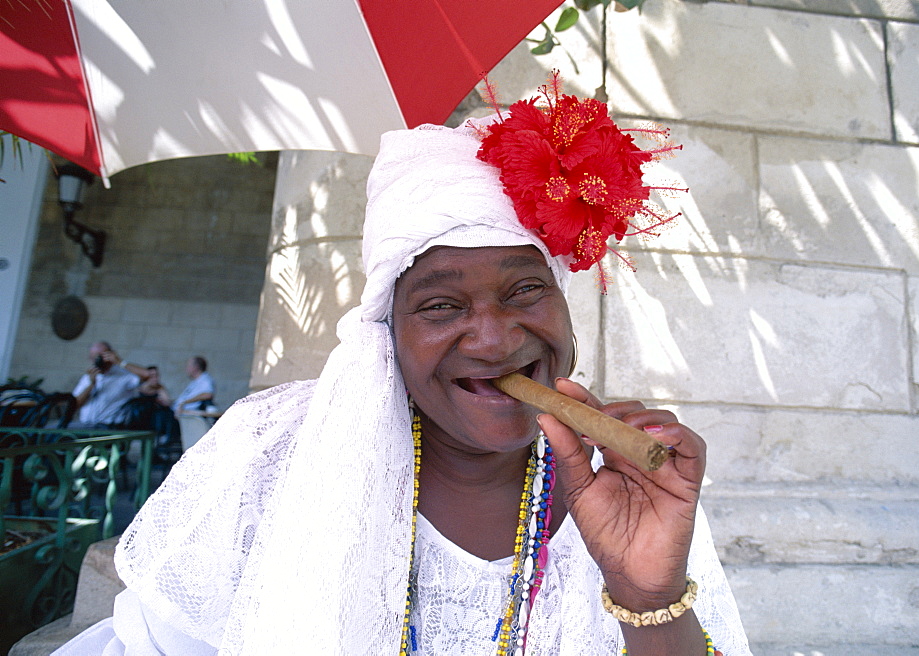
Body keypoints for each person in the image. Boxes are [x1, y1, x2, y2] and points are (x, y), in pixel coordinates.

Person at [55, 83, 751, 655]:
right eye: (442, 305)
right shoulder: (276, 450)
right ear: (387, 334)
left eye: (524, 290)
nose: (493, 335)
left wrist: (646, 600)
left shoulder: (632, 485)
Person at [70, 342, 152, 428]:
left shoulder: (122, 374)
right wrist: (91, 384)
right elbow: (74, 404)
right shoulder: (88, 376)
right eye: (94, 357)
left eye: (101, 356)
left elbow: (147, 374)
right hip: (86, 425)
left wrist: (119, 362)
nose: (97, 360)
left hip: (110, 427)